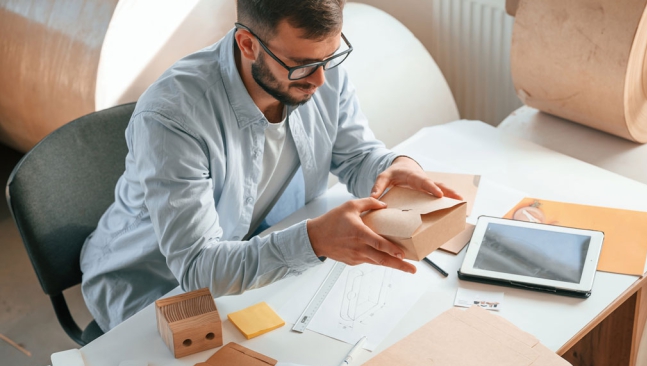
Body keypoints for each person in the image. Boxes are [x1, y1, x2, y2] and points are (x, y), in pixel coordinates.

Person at [80, 0, 460, 333]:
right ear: (247, 44)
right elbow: (198, 269)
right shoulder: (173, 117)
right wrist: (314, 240)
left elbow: (356, 155)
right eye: (301, 65)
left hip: (248, 248)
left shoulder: (318, 67)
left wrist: (394, 164)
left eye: (329, 57)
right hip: (152, 285)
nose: (321, 79)